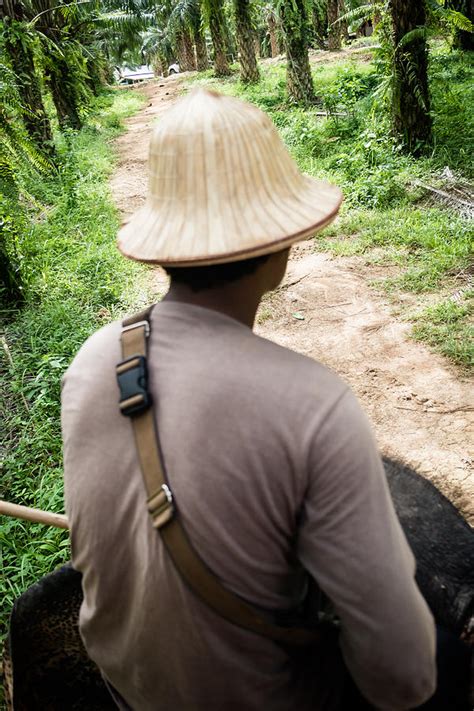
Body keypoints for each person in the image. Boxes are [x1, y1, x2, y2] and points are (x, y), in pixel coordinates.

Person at [62, 88, 436, 710]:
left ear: (167, 248)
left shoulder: (91, 361)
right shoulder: (315, 406)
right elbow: (404, 678)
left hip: (126, 690)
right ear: (280, 250)